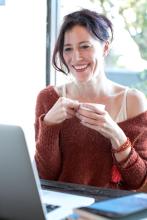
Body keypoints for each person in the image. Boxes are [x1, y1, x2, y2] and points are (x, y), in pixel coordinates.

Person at [34, 9, 147, 190]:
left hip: (111, 211)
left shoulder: (132, 101)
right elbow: (45, 176)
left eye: (85, 46)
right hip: (64, 207)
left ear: (105, 48)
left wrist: (116, 135)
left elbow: (139, 180)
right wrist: (48, 125)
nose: (76, 57)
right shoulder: (48, 98)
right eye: (68, 49)